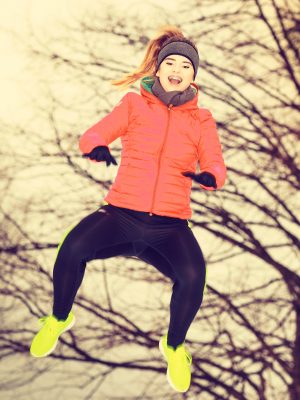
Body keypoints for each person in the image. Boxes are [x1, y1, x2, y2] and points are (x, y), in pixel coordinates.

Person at [30, 25, 227, 393]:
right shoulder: (134, 105)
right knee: (72, 248)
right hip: (120, 215)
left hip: (169, 227)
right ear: (158, 68)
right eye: (171, 62)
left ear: (193, 76)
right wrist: (96, 148)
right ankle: (58, 318)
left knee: (194, 278)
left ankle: (174, 347)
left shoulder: (201, 120)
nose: (177, 69)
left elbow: (216, 162)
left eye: (186, 65)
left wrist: (211, 177)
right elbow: (93, 134)